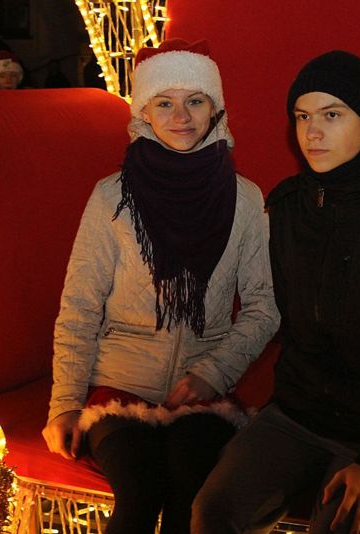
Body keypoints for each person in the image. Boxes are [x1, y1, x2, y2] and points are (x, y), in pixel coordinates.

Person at [193, 50, 360, 534]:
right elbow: (264, 310)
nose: (312, 133)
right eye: (302, 117)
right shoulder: (291, 204)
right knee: (213, 512)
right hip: (300, 414)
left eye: (331, 115)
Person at [42, 38, 280, 534]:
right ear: (143, 112)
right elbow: (80, 306)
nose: (181, 116)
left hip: (204, 389)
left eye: (195, 100)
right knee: (140, 489)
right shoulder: (111, 196)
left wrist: (212, 373)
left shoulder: (244, 198)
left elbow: (264, 307)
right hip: (119, 383)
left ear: (215, 109)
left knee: (191, 493)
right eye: (164, 103)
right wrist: (64, 404)